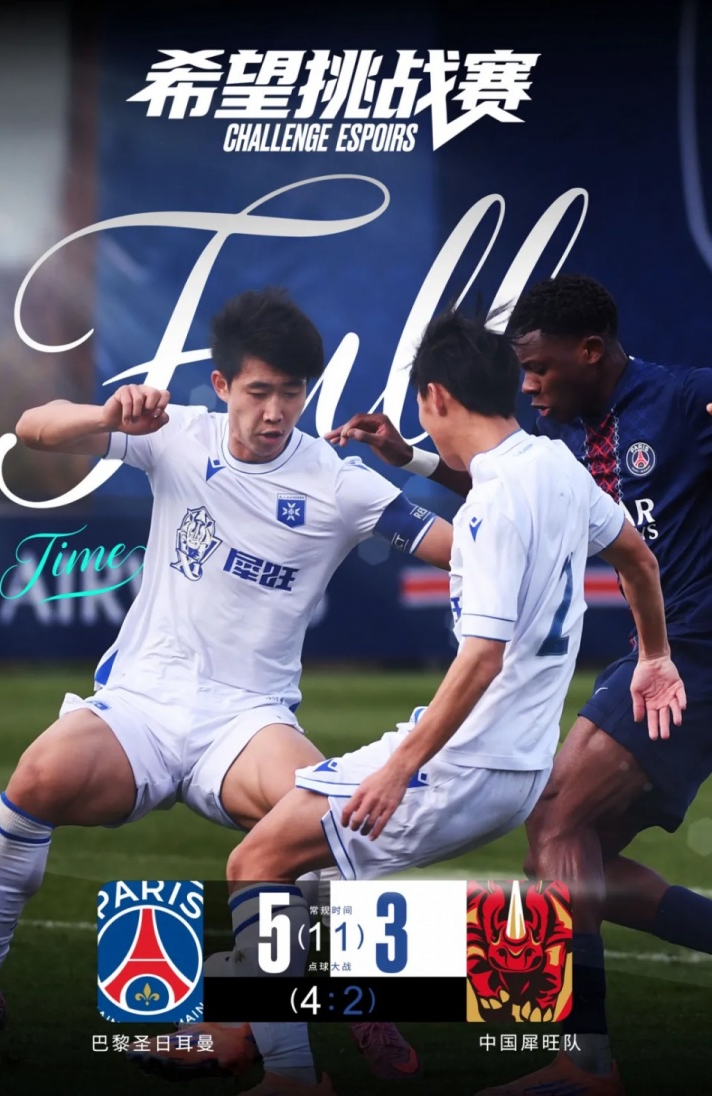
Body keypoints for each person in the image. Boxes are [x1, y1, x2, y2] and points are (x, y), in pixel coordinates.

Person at [0, 288, 453, 1080]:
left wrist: (519, 506)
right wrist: (104, 415)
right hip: (142, 705)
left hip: (247, 720)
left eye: (292, 392)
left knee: (327, 823)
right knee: (35, 777)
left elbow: (463, 549)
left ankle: (357, 996)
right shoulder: (174, 434)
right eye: (259, 391)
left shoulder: (340, 483)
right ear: (222, 385)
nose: (275, 411)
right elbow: (31, 426)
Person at [212, 307, 684, 1096]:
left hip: (465, 763)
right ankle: (280, 1014)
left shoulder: (495, 502)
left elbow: (482, 656)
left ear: (434, 396)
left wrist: (399, 767)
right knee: (301, 870)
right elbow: (637, 556)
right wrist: (655, 656)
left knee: (256, 861)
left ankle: (291, 1070)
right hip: (520, 766)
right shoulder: (555, 465)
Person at [327, 274, 712, 1096]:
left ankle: (587, 1065)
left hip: (695, 654)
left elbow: (494, 644)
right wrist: (411, 458)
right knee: (572, 855)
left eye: (538, 369)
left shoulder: (683, 401)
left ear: (591, 352)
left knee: (558, 817)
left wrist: (399, 768)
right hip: (665, 653)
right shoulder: (562, 443)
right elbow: (522, 497)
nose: (528, 386)